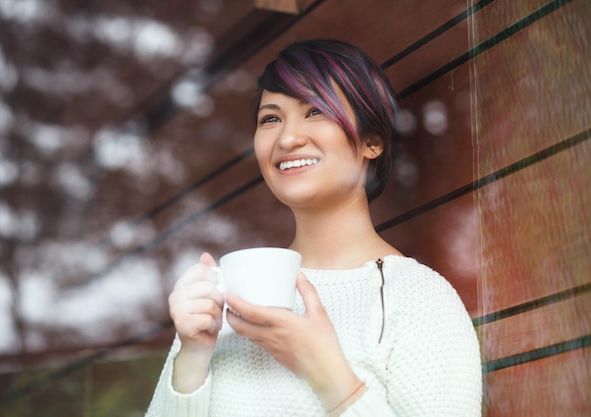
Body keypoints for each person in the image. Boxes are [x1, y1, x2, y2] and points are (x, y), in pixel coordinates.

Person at [145, 39, 482, 416]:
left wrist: (325, 372)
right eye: (270, 118)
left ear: (372, 141)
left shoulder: (418, 300)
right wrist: (192, 356)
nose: (288, 138)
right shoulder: (225, 298)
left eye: (315, 111)